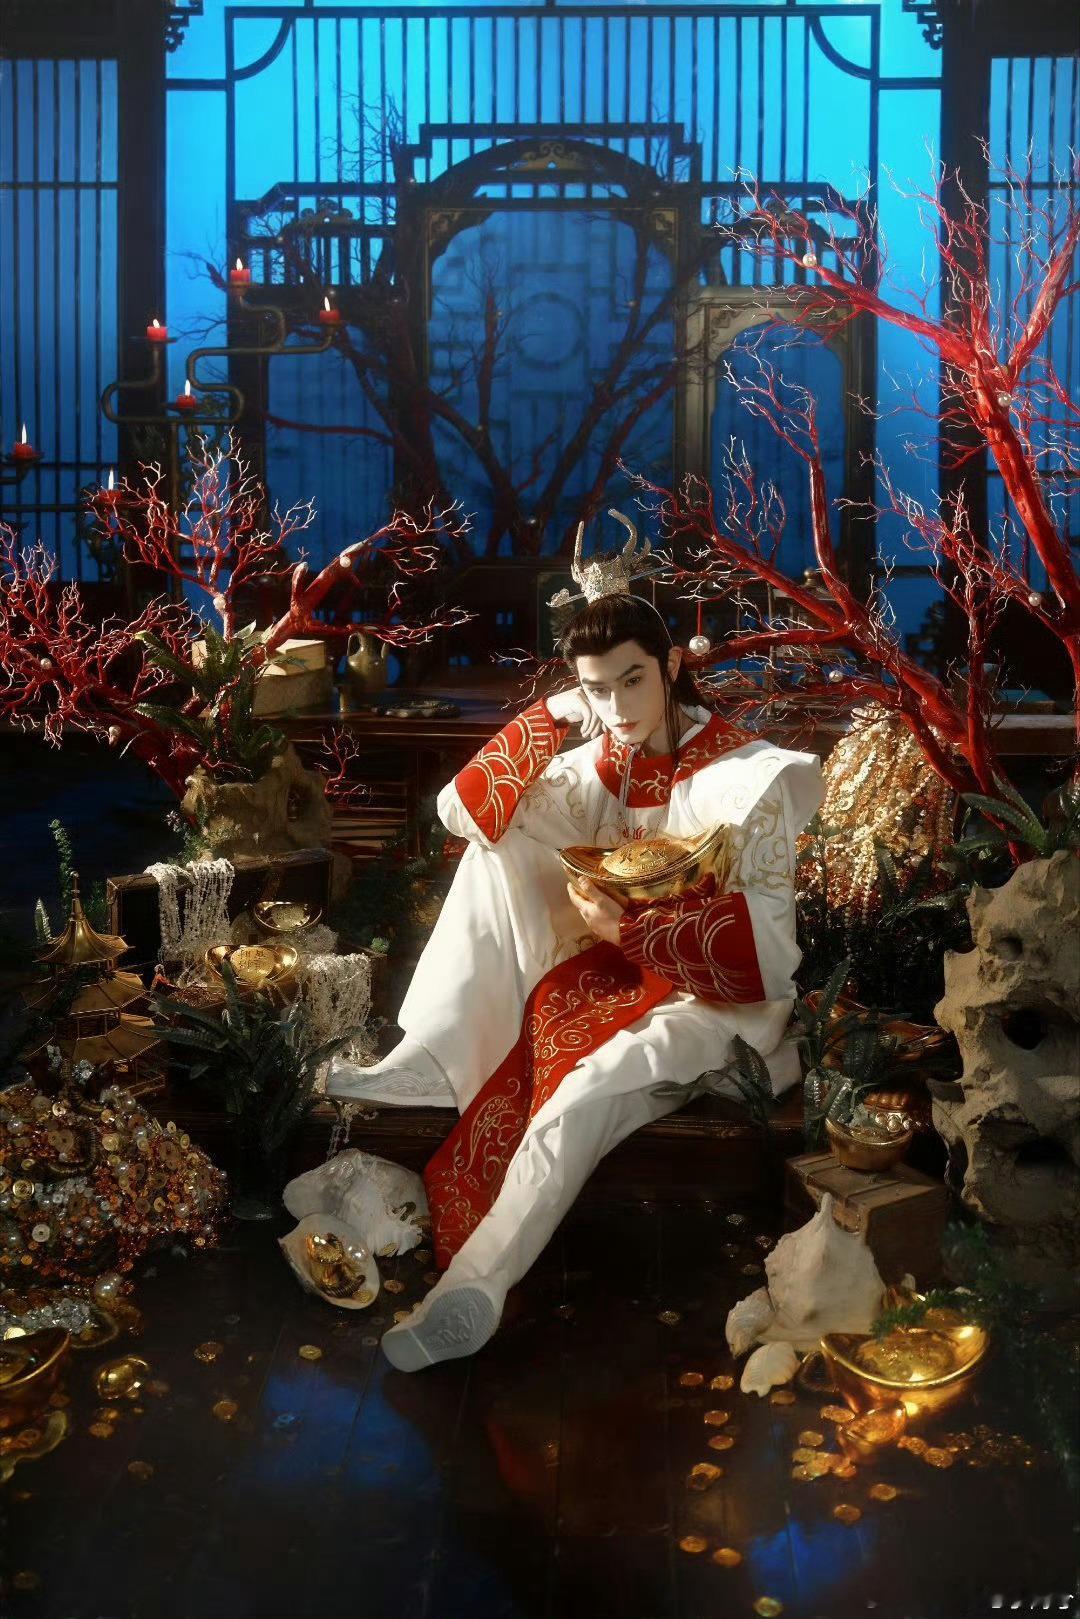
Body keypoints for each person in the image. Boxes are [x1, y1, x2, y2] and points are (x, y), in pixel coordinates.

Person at [326, 584, 822, 1373]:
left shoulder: (743, 774)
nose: (618, 707)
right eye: (598, 688)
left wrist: (629, 931)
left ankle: (471, 1287)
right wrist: (552, 714)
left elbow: (767, 951)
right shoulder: (601, 758)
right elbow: (463, 811)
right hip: (615, 976)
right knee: (494, 846)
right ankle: (432, 1052)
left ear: (670, 665)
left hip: (718, 1006)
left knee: (581, 1095)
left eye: (633, 679)